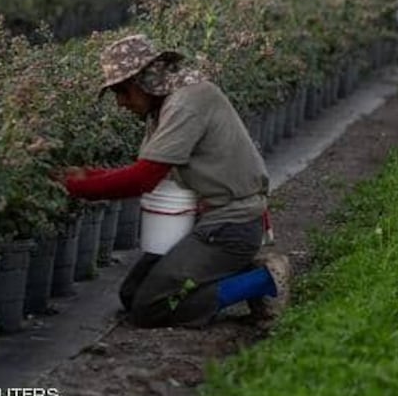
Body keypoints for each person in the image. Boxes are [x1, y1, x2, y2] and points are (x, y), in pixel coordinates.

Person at [62, 35, 289, 328]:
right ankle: (231, 272)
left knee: (150, 307)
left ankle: (264, 280)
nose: (120, 102)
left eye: (122, 91)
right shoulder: (166, 105)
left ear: (143, 81)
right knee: (132, 295)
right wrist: (89, 174)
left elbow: (143, 179)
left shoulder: (185, 104)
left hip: (231, 226)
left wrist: (76, 188)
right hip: (210, 222)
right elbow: (149, 168)